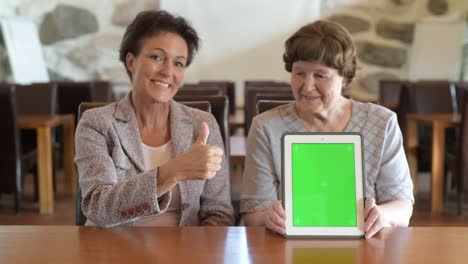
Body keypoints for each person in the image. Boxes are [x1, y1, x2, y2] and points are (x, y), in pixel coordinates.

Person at [240, 20, 413, 239]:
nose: (307, 86)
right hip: (287, 247)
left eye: (320, 75)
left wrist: (382, 214)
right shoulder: (266, 126)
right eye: (299, 73)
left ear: (345, 77)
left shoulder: (382, 123)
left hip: (367, 246)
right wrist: (269, 217)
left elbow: (402, 207)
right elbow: (253, 215)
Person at [75, 10, 234, 227]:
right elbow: (98, 208)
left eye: (178, 63)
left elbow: (219, 213)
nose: (168, 71)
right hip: (114, 250)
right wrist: (173, 171)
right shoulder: (96, 123)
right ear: (131, 62)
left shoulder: (202, 125)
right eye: (157, 57)